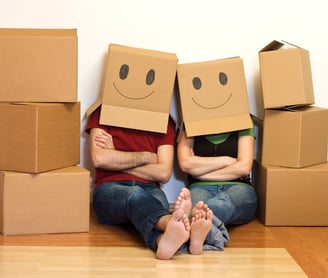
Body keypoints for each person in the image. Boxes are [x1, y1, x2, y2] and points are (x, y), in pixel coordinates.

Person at [85, 106, 223, 259]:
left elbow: (163, 173)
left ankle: (167, 241)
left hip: (150, 191)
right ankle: (175, 223)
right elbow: (100, 159)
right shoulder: (104, 111)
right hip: (109, 190)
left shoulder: (164, 120)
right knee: (135, 195)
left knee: (153, 206)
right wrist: (147, 156)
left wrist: (116, 157)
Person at [177, 126, 258, 226]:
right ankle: (205, 232)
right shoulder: (190, 122)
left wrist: (201, 174)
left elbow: (243, 168)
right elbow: (185, 164)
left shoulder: (243, 120)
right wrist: (226, 161)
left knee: (216, 206)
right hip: (200, 187)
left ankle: (195, 225)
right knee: (197, 208)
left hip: (239, 186)